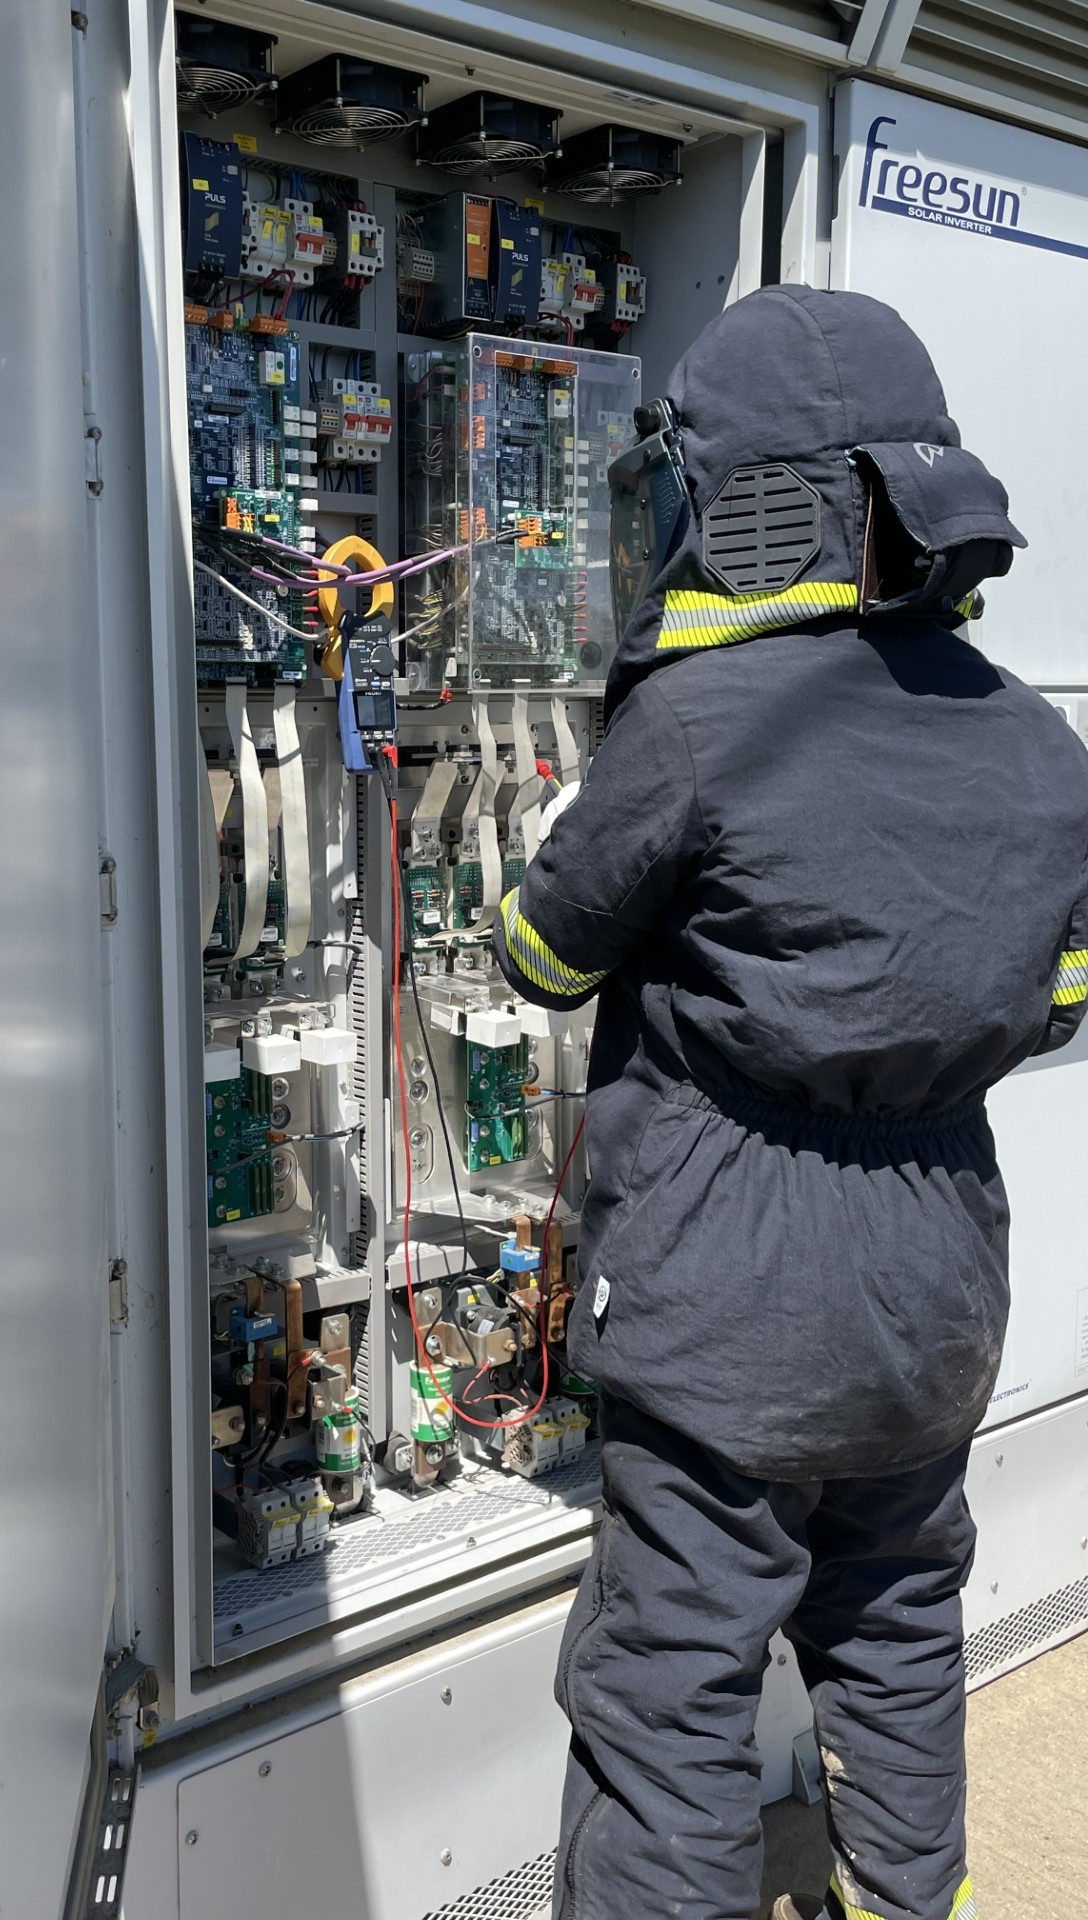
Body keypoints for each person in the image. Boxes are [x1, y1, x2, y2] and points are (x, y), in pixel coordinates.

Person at [492, 285, 1088, 1920]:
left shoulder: (692, 726)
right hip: (938, 1293)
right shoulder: (1041, 742)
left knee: (668, 1691)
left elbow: (543, 958)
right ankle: (918, 1900)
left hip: (726, 1302)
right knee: (896, 1636)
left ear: (745, 504)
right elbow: (1055, 998)